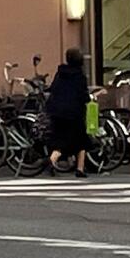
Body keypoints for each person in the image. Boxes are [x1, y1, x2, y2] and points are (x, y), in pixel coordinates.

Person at [44, 46, 92, 176]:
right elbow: (82, 95)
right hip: (74, 112)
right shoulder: (79, 75)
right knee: (81, 139)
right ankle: (80, 169)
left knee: (60, 139)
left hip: (57, 111)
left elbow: (53, 88)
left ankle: (52, 159)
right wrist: (89, 99)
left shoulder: (60, 73)